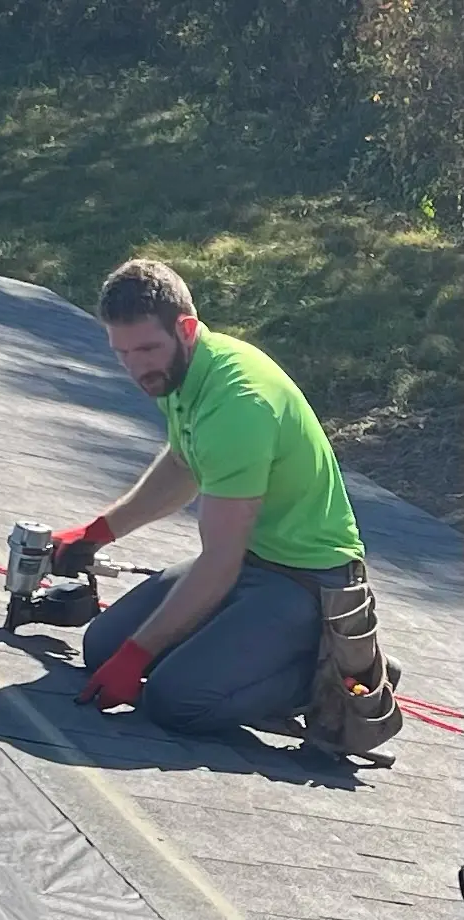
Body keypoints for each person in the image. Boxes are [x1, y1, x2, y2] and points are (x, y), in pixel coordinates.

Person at [50, 258, 383, 736]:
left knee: (174, 700)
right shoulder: (179, 371)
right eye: (122, 352)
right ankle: (240, 654)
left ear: (186, 328)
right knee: (102, 647)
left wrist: (140, 654)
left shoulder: (238, 405)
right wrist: (100, 531)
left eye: (146, 348)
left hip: (308, 583)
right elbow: (184, 464)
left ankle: (331, 672)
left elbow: (219, 564)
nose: (136, 367)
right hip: (252, 562)